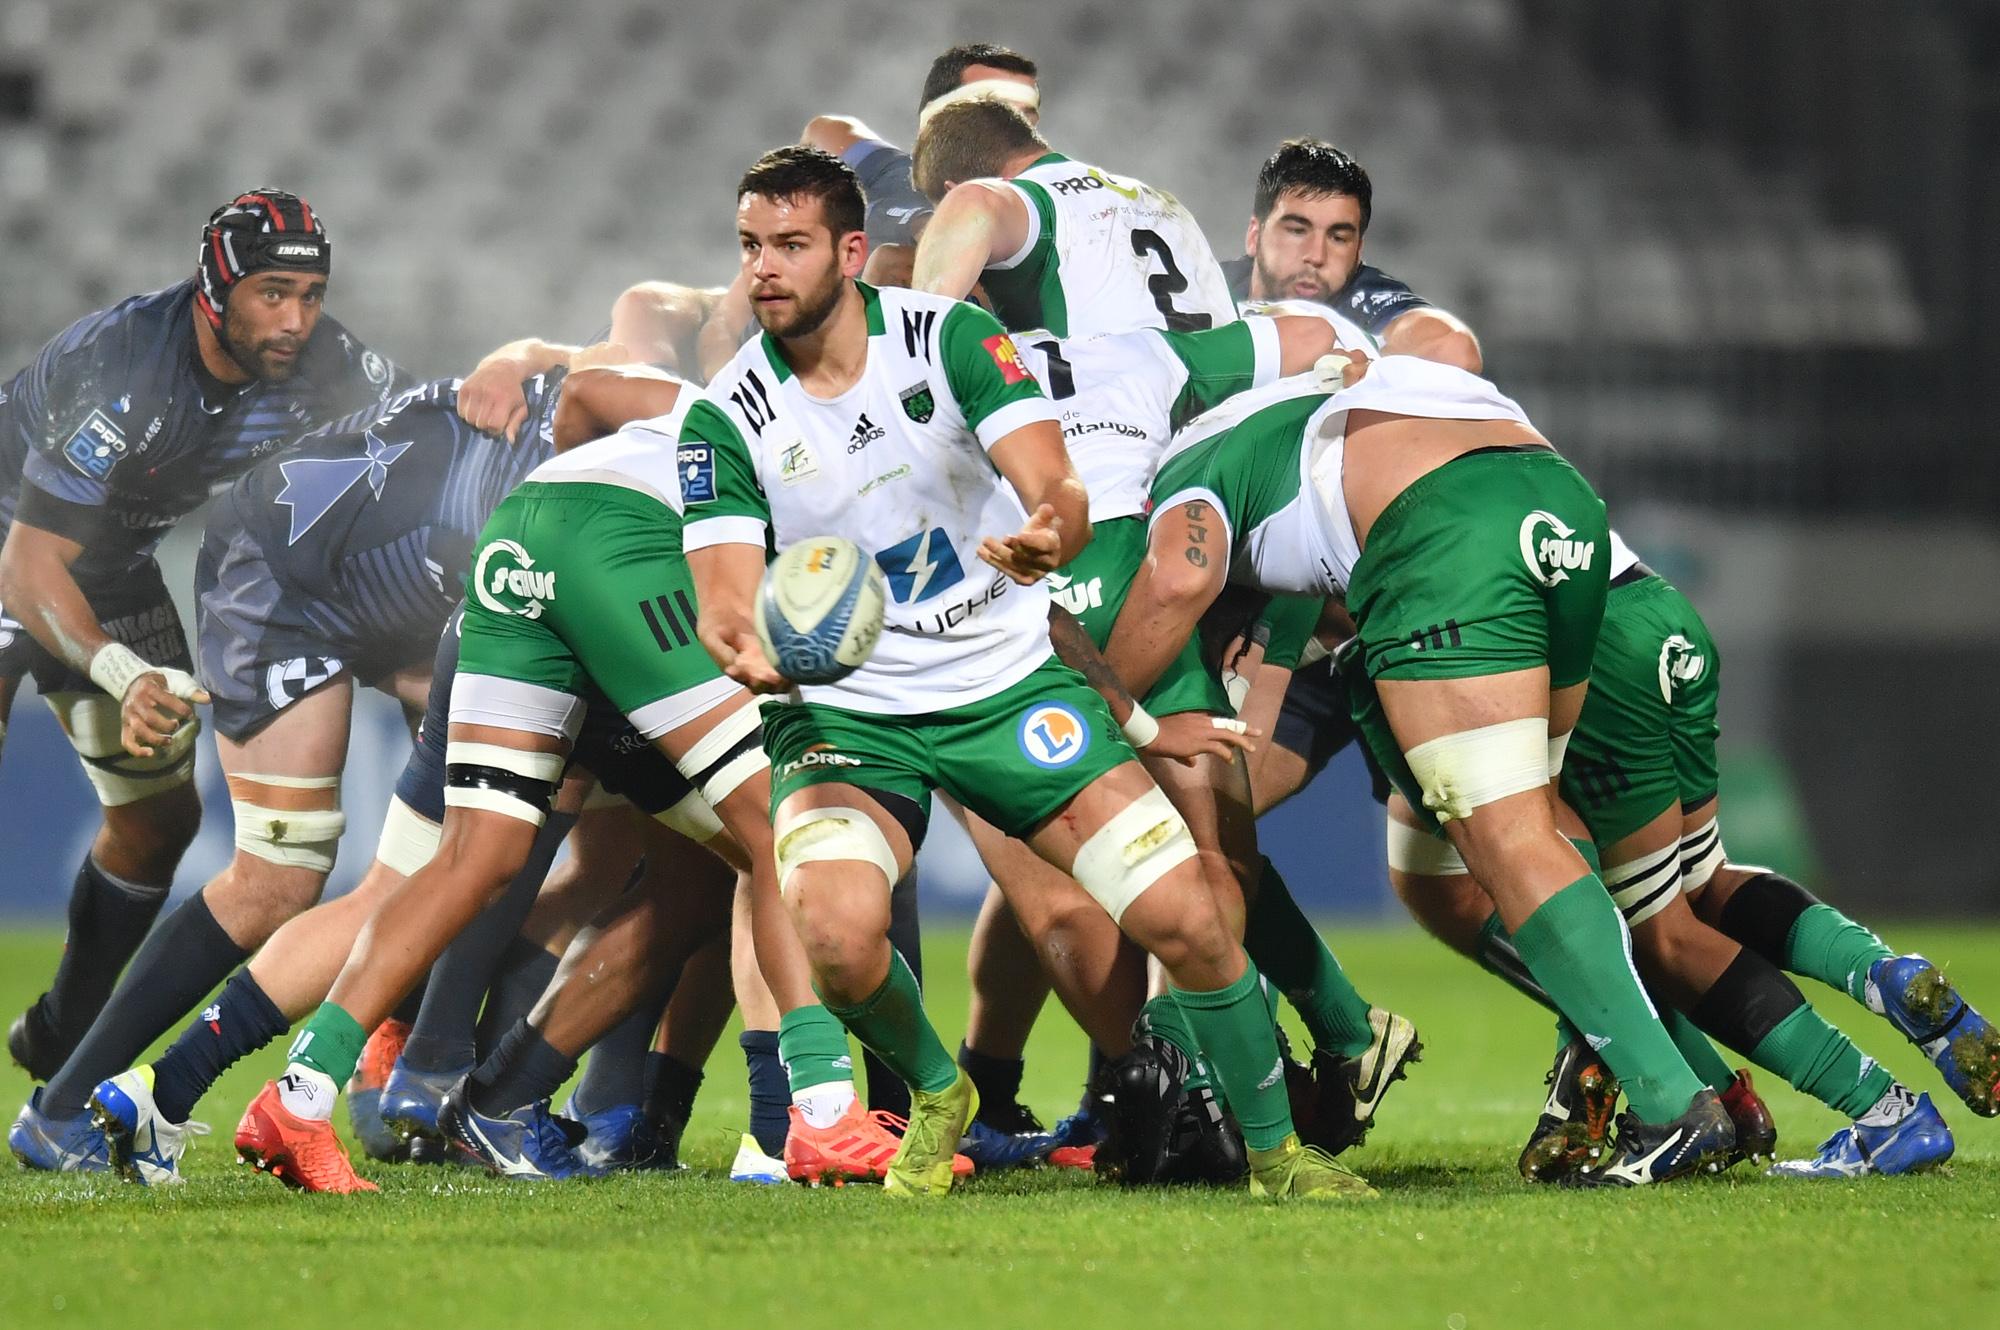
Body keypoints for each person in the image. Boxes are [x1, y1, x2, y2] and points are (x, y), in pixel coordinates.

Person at [679, 145, 1364, 1200]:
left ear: (852, 253)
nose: (763, 269)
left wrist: (1049, 531)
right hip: (850, 715)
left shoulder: (951, 337)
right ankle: (940, 1089)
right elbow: (724, 596)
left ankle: (1279, 1159)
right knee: (838, 936)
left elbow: (1057, 486)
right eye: (749, 247)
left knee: (1186, 912)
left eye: (790, 246)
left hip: (1006, 685)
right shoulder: (722, 416)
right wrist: (751, 648)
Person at [1104, 353, 1739, 1185]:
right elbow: (1252, 715)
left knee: (1505, 841)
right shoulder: (1297, 428)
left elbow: (1182, 576)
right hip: (1560, 505)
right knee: (1536, 828)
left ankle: (1673, 1103)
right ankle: (1655, 1080)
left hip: (1441, 527)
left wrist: (1110, 714)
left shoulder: (1181, 472)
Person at [1, 190, 413, 1093]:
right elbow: (28, 569)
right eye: (272, 294)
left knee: (160, 823)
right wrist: (117, 668)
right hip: (19, 545)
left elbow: (393, 475)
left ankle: (65, 1028)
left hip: (107, 563)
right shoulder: (127, 368)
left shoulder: (329, 367)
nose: (296, 320)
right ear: (215, 287)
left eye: (311, 295)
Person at [910, 98, 1234, 339]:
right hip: (1230, 401)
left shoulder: (1023, 202)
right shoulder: (1160, 200)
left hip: (1130, 413)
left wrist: (912, 337)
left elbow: (975, 205)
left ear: (953, 190)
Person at [1226, 138, 1480, 370]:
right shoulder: (1210, 287)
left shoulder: (1364, 301)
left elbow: (1454, 349)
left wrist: (1356, 366)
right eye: (1297, 231)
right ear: (1255, 236)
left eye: (1338, 238)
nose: (1316, 256)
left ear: (1358, 251)